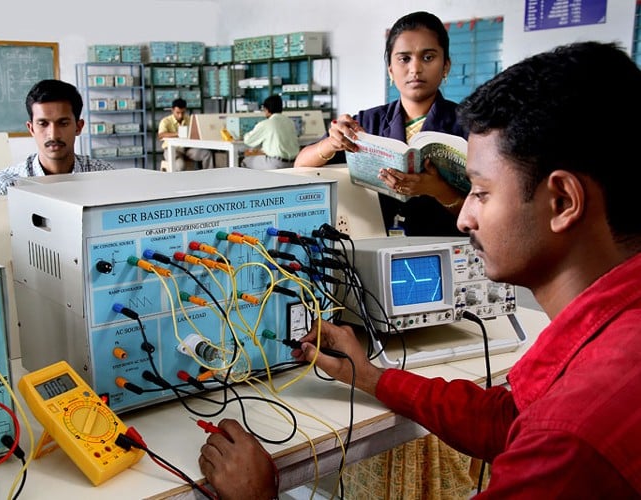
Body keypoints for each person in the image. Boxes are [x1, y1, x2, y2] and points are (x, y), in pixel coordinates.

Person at [198, 40, 641, 498]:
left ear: (563, 202)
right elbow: (507, 419)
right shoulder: (612, 334)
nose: (465, 216)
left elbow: (546, 429)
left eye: (482, 193)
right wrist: (370, 376)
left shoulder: (572, 440)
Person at [294, 11, 466, 237]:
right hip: (379, 247)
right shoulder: (367, 121)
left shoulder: (470, 125)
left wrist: (438, 190)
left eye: (428, 57)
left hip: (446, 249)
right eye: (404, 58)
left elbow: (487, 215)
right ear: (391, 71)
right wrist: (331, 143)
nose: (415, 69)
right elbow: (301, 165)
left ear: (445, 66)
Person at [0, 79, 113, 196]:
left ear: (78, 127)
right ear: (31, 128)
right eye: (43, 124)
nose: (53, 134)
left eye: (63, 123)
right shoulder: (2, 189)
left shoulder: (106, 178)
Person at [240, 95, 300, 170]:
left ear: (266, 109)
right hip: (293, 163)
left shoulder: (266, 123)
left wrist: (242, 135)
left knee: (245, 162)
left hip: (276, 164)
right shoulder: (290, 122)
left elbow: (248, 140)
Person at [158, 98, 214, 171]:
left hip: (187, 149)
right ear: (172, 110)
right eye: (177, 112)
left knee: (206, 154)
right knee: (180, 165)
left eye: (183, 112)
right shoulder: (165, 121)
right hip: (172, 149)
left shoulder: (189, 119)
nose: (180, 115)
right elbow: (161, 135)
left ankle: (209, 177)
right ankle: (179, 181)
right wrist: (178, 134)